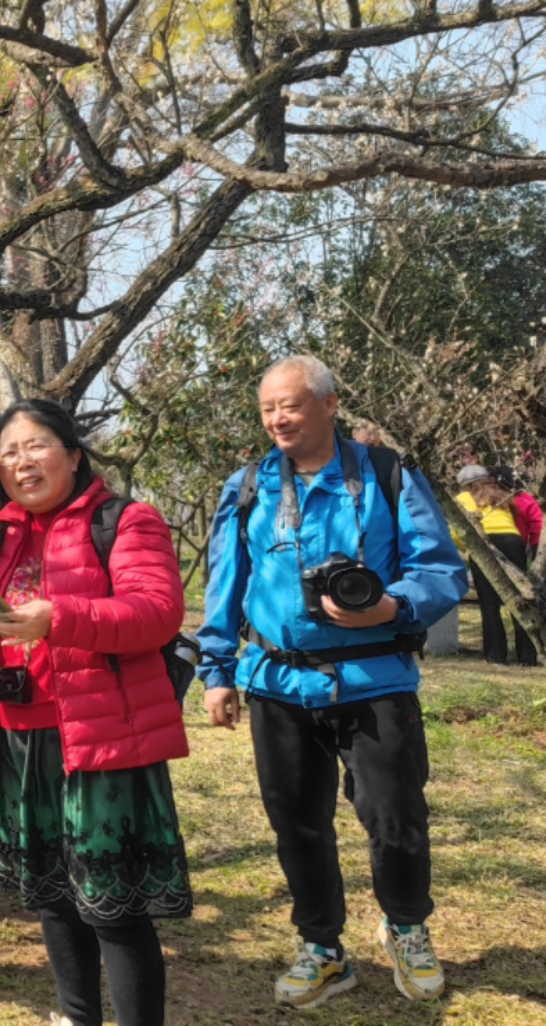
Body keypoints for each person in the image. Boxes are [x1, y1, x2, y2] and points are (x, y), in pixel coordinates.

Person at [198, 355, 468, 1007]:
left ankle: (406, 927)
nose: (278, 419)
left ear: (329, 404)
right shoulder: (248, 488)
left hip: (375, 681)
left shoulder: (385, 474)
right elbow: (224, 585)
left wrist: (391, 608)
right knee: (297, 823)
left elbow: (441, 569)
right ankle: (322, 948)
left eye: (290, 405)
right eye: (267, 409)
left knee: (396, 816)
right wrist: (215, 670)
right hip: (277, 685)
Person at [0, 399, 192, 1026]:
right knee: (53, 897)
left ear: (74, 454)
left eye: (36, 446)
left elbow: (156, 612)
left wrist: (57, 617)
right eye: (8, 452)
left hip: (99, 739)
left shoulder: (125, 520)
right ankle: (75, 1015)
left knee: (114, 908)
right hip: (21, 737)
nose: (21, 462)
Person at [453, 465, 538, 667]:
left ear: (463, 485)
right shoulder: (502, 496)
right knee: (518, 599)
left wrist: (467, 548)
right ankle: (527, 656)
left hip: (485, 543)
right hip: (513, 542)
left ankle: (496, 656)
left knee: (489, 603)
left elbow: (456, 531)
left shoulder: (463, 499)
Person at [491, 465, 542, 559]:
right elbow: (536, 524)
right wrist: (534, 544)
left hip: (502, 545)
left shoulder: (493, 502)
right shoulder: (525, 499)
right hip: (518, 545)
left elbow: (536, 522)